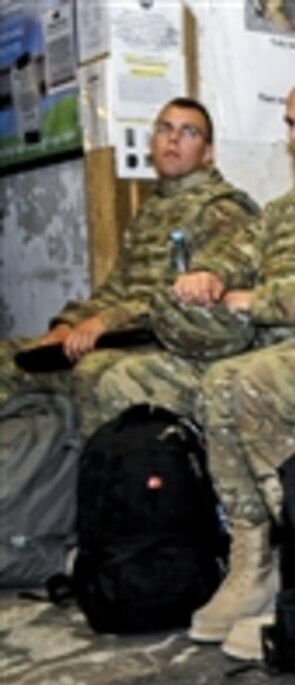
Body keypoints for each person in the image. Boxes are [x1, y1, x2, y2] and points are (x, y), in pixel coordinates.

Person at [93, 77, 295, 648]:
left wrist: (256, 301)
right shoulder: (280, 212)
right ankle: (201, 543)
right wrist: (210, 276)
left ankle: (279, 558)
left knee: (234, 384)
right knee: (132, 379)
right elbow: (231, 258)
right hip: (265, 349)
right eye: (290, 123)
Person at [0, 97, 257, 437]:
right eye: (165, 128)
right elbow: (117, 286)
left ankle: (95, 475)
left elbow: (189, 302)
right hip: (120, 333)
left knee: (92, 372)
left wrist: (105, 322)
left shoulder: (222, 210)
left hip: (165, 339)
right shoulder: (152, 211)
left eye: (188, 132)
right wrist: (70, 323)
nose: (173, 139)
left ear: (208, 153)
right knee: (10, 356)